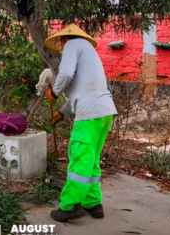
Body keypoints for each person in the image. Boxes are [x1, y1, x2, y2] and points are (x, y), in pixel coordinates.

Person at [43, 24, 117, 222]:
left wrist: (54, 92)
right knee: (91, 160)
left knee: (79, 158)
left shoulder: (72, 44)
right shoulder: (89, 54)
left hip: (89, 114)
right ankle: (93, 202)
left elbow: (65, 74)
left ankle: (70, 205)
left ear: (65, 39)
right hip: (104, 112)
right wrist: (61, 113)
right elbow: (81, 93)